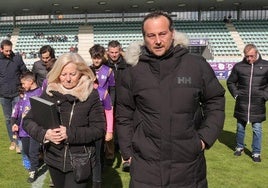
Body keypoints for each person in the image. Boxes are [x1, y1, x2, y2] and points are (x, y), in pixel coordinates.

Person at [116, 11, 225, 187]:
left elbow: (215, 101)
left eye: (162, 34)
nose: (157, 41)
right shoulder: (132, 71)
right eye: (151, 36)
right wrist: (127, 150)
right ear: (144, 38)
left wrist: (204, 138)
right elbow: (123, 113)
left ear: (172, 33)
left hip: (188, 166)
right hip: (145, 166)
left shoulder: (196, 65)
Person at [23, 53, 106, 188]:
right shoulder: (49, 92)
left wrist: (70, 134)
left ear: (81, 73)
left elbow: (99, 129)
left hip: (80, 160)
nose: (67, 79)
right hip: (53, 158)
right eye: (63, 74)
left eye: (72, 74)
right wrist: (45, 134)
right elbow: (28, 121)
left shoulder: (91, 95)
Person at [227, 44, 268, 162]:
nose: (249, 59)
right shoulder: (239, 67)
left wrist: (264, 96)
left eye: (251, 56)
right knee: (240, 127)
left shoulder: (266, 65)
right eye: (247, 56)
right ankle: (239, 147)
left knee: (257, 129)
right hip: (242, 104)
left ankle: (256, 152)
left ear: (257, 53)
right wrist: (236, 94)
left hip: (258, 105)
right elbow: (231, 82)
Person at [89, 44, 115, 187]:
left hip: (105, 105)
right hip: (91, 107)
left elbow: (112, 89)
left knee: (105, 138)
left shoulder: (109, 71)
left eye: (99, 58)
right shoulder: (87, 70)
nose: (96, 61)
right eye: (94, 58)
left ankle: (104, 162)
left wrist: (112, 104)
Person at [11, 71, 43, 183]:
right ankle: (37, 161)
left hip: (34, 128)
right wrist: (16, 123)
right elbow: (21, 111)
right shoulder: (25, 94)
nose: (23, 86)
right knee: (26, 150)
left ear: (30, 81)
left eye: (24, 83)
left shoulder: (40, 93)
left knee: (33, 151)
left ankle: (33, 171)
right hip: (23, 129)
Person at [105, 40, 130, 171]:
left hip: (124, 101)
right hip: (109, 101)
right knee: (109, 128)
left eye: (116, 52)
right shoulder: (104, 65)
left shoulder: (128, 64)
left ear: (120, 51)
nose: (114, 55)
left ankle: (126, 157)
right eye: (112, 52)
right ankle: (110, 155)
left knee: (124, 128)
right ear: (108, 52)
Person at [0, 39, 28, 151]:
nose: (8, 53)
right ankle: (13, 141)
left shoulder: (17, 58)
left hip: (17, 94)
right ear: (1, 49)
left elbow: (25, 72)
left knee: (18, 117)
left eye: (10, 50)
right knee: (7, 119)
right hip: (3, 95)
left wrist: (23, 89)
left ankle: (19, 140)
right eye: (6, 51)